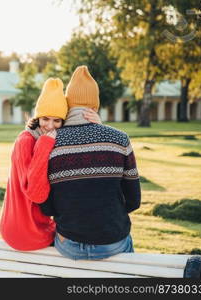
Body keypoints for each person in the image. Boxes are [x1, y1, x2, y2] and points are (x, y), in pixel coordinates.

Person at [40, 66, 141, 260]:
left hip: (68, 243)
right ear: (94, 107)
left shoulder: (49, 143)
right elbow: (133, 200)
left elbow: (46, 206)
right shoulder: (119, 139)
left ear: (67, 107)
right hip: (112, 242)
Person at [0, 77, 101, 251]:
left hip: (35, 224)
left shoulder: (52, 139)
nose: (50, 126)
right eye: (45, 118)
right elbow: (35, 194)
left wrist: (98, 127)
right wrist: (45, 145)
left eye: (57, 121)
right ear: (37, 117)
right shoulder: (26, 141)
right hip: (26, 229)